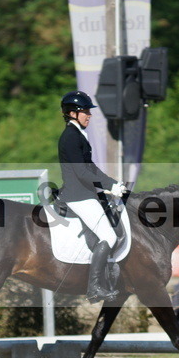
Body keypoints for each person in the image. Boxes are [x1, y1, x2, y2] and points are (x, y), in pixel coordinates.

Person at [57, 90, 127, 303]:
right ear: (72, 113)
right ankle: (95, 287)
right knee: (110, 236)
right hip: (78, 196)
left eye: (88, 111)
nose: (89, 115)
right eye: (85, 111)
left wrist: (113, 184)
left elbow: (92, 168)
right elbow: (82, 173)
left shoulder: (78, 135)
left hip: (86, 194)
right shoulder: (70, 137)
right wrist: (106, 187)